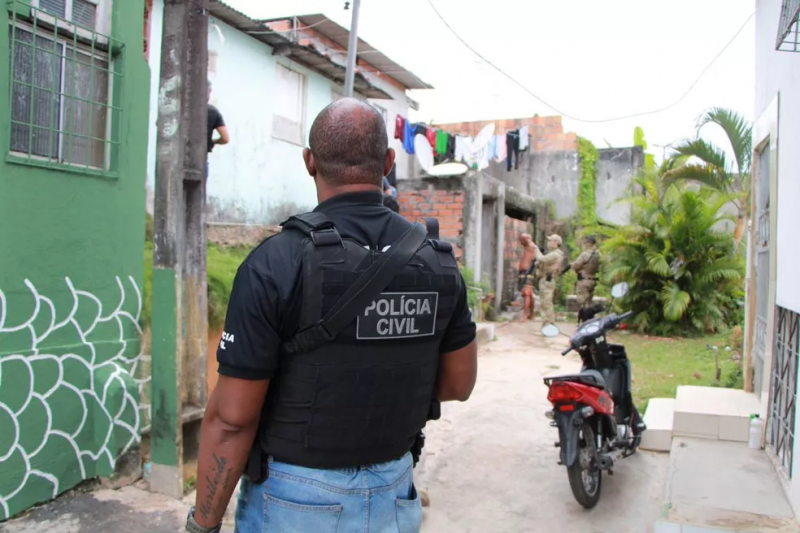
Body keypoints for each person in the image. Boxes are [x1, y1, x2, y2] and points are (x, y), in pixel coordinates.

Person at [187, 98, 478, 533]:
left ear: (310, 162)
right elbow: (459, 384)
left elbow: (232, 419)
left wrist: (202, 525)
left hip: (294, 503)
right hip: (395, 496)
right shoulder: (439, 263)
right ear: (387, 162)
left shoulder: (275, 262)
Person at [532, 234, 565, 327]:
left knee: (546, 303)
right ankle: (546, 323)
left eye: (550, 240)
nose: (548, 242)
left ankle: (549, 323)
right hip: (545, 279)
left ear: (556, 242)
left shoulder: (555, 254)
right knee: (544, 303)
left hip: (547, 280)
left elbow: (541, 258)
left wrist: (536, 249)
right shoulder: (554, 253)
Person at [569, 236, 601, 312]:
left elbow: (576, 265)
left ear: (587, 244)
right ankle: (589, 319)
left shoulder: (585, 254)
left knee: (582, 302)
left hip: (584, 280)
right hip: (593, 280)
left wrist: (572, 264)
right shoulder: (598, 255)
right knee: (589, 302)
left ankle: (583, 320)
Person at [206, 82, 229, 176]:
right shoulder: (213, 112)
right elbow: (225, 138)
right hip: (200, 159)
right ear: (209, 91)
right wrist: (213, 141)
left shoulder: (181, 107)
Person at [518, 233, 537, 322]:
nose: (520, 243)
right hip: (525, 272)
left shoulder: (530, 245)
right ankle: (532, 313)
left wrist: (526, 238)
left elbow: (528, 240)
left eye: (521, 240)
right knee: (529, 293)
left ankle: (525, 315)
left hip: (527, 272)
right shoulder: (528, 246)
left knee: (526, 293)